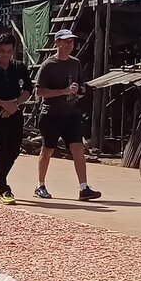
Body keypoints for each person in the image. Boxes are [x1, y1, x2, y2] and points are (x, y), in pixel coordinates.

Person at [34, 29, 102, 201]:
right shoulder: (48, 65)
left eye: (71, 42)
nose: (69, 45)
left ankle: (84, 188)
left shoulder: (75, 63)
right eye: (66, 42)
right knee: (47, 149)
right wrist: (62, 91)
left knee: (78, 148)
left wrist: (79, 91)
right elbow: (40, 91)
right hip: (51, 114)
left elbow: (81, 84)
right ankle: (40, 185)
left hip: (71, 114)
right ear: (57, 43)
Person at [0, 33, 33, 205]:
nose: (5, 54)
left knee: (14, 151)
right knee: (0, 151)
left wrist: (14, 104)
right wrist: (3, 104)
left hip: (15, 114)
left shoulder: (19, 67)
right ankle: (3, 188)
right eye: (2, 51)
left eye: (9, 51)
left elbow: (28, 89)